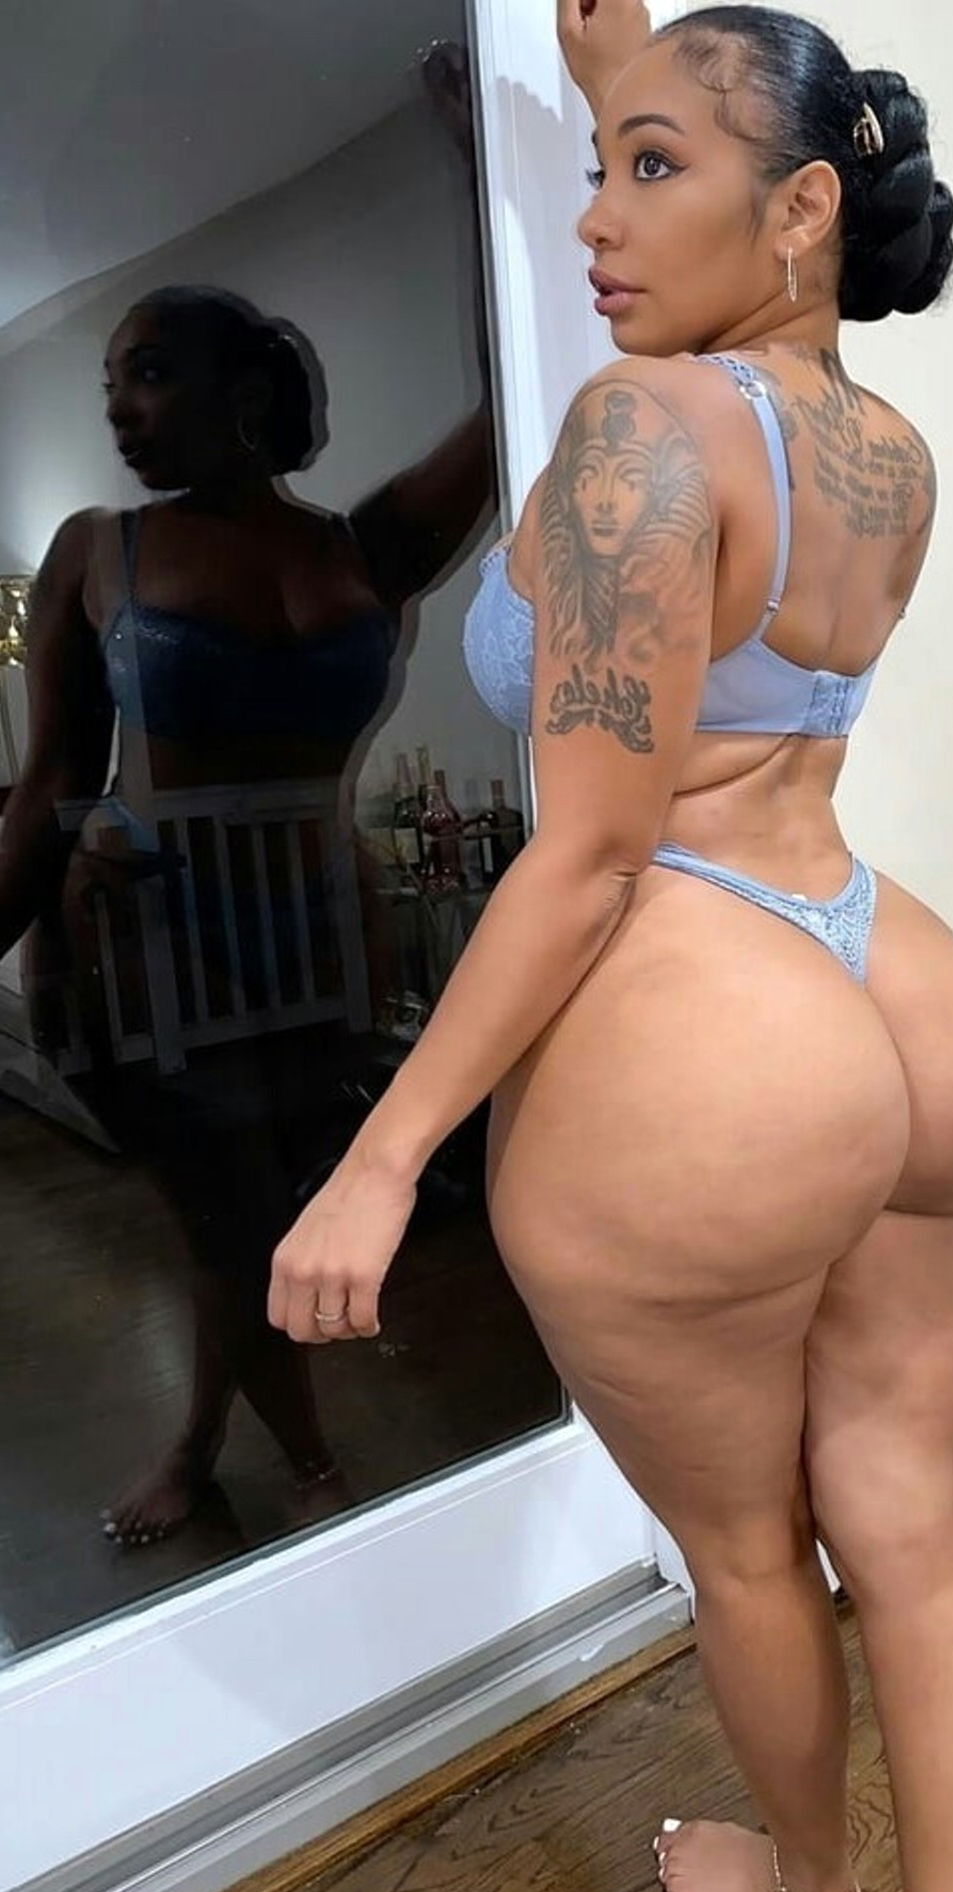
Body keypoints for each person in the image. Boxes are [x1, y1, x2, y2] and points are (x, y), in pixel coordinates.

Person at [269, 5, 953, 1892]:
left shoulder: (643, 430)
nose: (598, 218)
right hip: (899, 982)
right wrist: (622, 69)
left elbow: (592, 853)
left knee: (751, 1549)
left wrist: (380, 1158)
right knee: (918, 1527)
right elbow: (727, 167)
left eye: (651, 169)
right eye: (602, 164)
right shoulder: (885, 445)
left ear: (800, 208)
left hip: (715, 1014)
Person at [0, 44, 499, 1546]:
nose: (122, 408)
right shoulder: (96, 551)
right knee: (233, 1225)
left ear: (245, 389)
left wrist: (487, 174)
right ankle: (317, 1470)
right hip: (148, 953)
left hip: (318, 944)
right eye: (111, 384)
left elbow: (518, 402)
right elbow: (47, 784)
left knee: (259, 1218)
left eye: (148, 372)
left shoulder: (361, 547)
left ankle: (202, 1448)